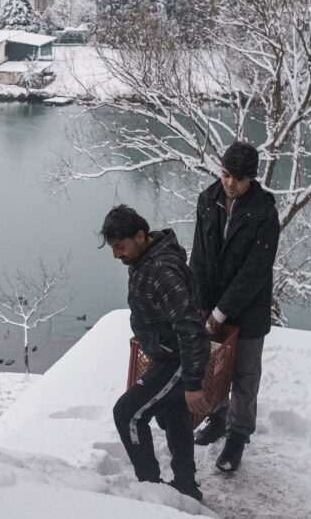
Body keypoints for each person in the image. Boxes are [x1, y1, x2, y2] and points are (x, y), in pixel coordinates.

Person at [103, 205, 211, 503]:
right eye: (112, 248)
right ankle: (186, 486)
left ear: (140, 236)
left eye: (120, 246)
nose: (116, 254)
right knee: (175, 417)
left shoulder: (160, 271)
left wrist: (192, 382)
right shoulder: (146, 259)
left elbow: (190, 326)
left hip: (177, 359)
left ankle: (150, 489)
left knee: (128, 414)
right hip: (167, 353)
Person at [189, 141, 279, 473]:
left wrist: (221, 312)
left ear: (251, 178)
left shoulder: (265, 213)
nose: (229, 183)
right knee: (213, 367)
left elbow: (256, 270)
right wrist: (201, 305)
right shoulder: (207, 200)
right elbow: (199, 256)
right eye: (226, 174)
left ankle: (238, 435)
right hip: (211, 303)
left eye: (238, 179)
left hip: (249, 309)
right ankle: (218, 416)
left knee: (245, 374)